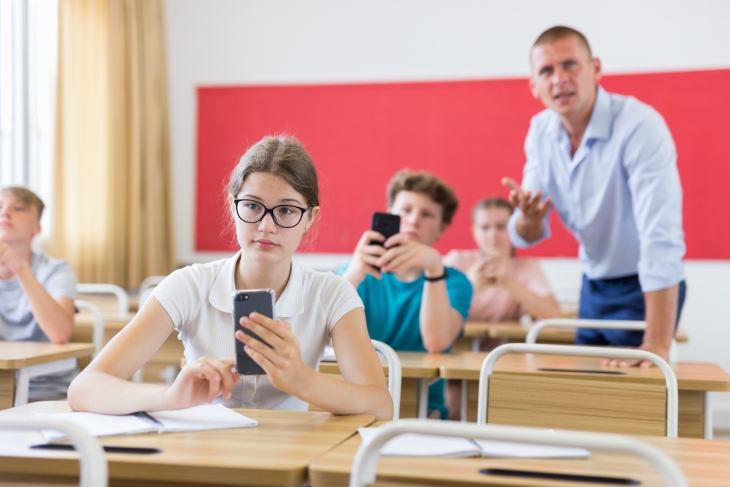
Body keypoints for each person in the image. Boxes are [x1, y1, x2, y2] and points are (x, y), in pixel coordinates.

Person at [68, 135, 393, 420]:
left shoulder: (332, 293)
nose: (266, 226)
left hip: (292, 460)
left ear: (310, 218)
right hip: (206, 453)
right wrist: (169, 397)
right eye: (252, 206)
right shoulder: (189, 285)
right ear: (232, 205)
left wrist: (300, 379)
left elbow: (380, 405)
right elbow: (84, 388)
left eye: (286, 210)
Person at [503, 26, 686, 367]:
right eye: (546, 71)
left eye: (570, 64)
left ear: (596, 69)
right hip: (593, 283)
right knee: (584, 391)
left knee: (631, 399)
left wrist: (657, 342)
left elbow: (660, 237)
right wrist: (528, 217)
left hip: (644, 286)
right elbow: (524, 235)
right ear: (534, 86)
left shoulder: (638, 125)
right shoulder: (540, 131)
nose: (559, 79)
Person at [341, 170, 472, 419]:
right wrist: (354, 274)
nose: (413, 221)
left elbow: (436, 343)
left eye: (427, 214)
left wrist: (434, 269)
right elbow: (321, 331)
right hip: (355, 404)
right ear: (389, 212)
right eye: (405, 210)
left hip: (423, 410)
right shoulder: (358, 269)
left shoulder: (455, 282)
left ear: (442, 228)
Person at [0, 186, 78, 399]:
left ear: (37, 228)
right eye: (0, 207)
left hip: (46, 390)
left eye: (18, 208)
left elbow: (60, 333)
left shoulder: (55, 270)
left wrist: (20, 269)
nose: (5, 213)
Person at [444, 196, 561, 323]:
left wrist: (506, 281)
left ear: (513, 229)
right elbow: (429, 310)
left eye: (501, 227)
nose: (493, 234)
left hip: (504, 342)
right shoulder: (456, 261)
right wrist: (468, 286)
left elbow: (555, 317)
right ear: (474, 231)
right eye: (485, 228)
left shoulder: (526, 267)